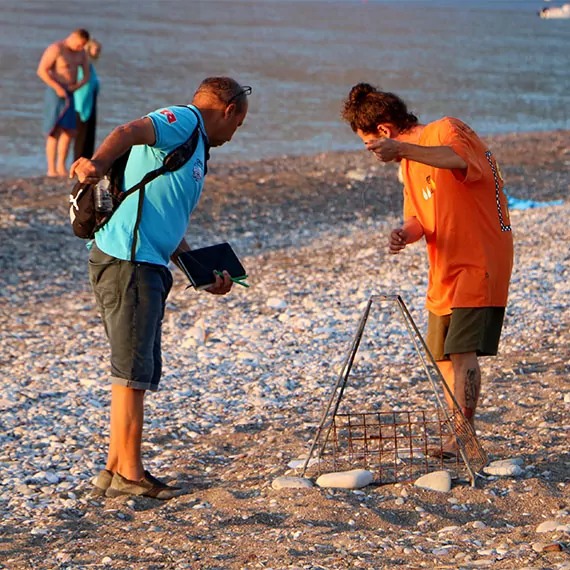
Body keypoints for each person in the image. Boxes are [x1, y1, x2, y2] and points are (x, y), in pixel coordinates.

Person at [70, 77, 251, 499]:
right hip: (128, 262)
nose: (234, 134)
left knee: (134, 368)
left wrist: (200, 274)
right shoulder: (184, 121)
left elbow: (167, 223)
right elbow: (128, 131)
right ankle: (131, 475)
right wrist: (96, 164)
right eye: (238, 126)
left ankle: (115, 467)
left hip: (144, 262)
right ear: (229, 111)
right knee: (134, 371)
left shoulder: (196, 147)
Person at [342, 83, 513, 452]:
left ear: (384, 131)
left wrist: (402, 149)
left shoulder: (447, 129)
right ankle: (458, 434)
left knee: (462, 350)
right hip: (444, 265)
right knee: (442, 356)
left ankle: (462, 440)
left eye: (367, 142)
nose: (370, 151)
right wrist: (404, 234)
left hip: (480, 256)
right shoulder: (408, 166)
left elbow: (461, 161)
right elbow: (417, 218)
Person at [38, 29, 90, 177]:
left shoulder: (81, 54)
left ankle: (61, 166)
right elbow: (42, 70)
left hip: (71, 91)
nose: (80, 48)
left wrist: (77, 86)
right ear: (72, 37)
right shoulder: (56, 49)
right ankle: (51, 168)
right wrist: (57, 87)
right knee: (54, 130)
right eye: (79, 44)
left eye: (83, 46)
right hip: (55, 91)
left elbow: (86, 75)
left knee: (68, 131)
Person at [74, 39, 102, 161]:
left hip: (90, 103)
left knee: (89, 135)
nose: (98, 52)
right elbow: (82, 86)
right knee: (82, 135)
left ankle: (87, 160)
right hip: (82, 104)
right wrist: (81, 107)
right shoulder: (83, 66)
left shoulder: (90, 65)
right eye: (96, 49)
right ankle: (79, 161)